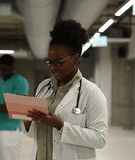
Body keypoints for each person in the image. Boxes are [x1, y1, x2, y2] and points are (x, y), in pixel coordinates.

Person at [23, 19, 108, 160]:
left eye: (59, 62)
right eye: (49, 61)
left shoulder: (92, 93)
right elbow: (34, 134)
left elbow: (100, 139)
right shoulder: (43, 87)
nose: (52, 66)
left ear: (75, 58)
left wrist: (61, 126)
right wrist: (28, 123)